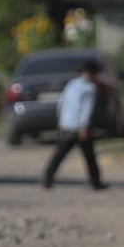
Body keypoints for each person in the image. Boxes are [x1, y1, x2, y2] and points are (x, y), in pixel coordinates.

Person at [42, 59, 107, 190]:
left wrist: (61, 121)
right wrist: (84, 126)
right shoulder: (90, 88)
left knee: (61, 154)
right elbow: (86, 109)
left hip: (68, 125)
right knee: (88, 156)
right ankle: (95, 182)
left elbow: (62, 103)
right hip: (79, 128)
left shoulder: (72, 84)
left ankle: (48, 177)